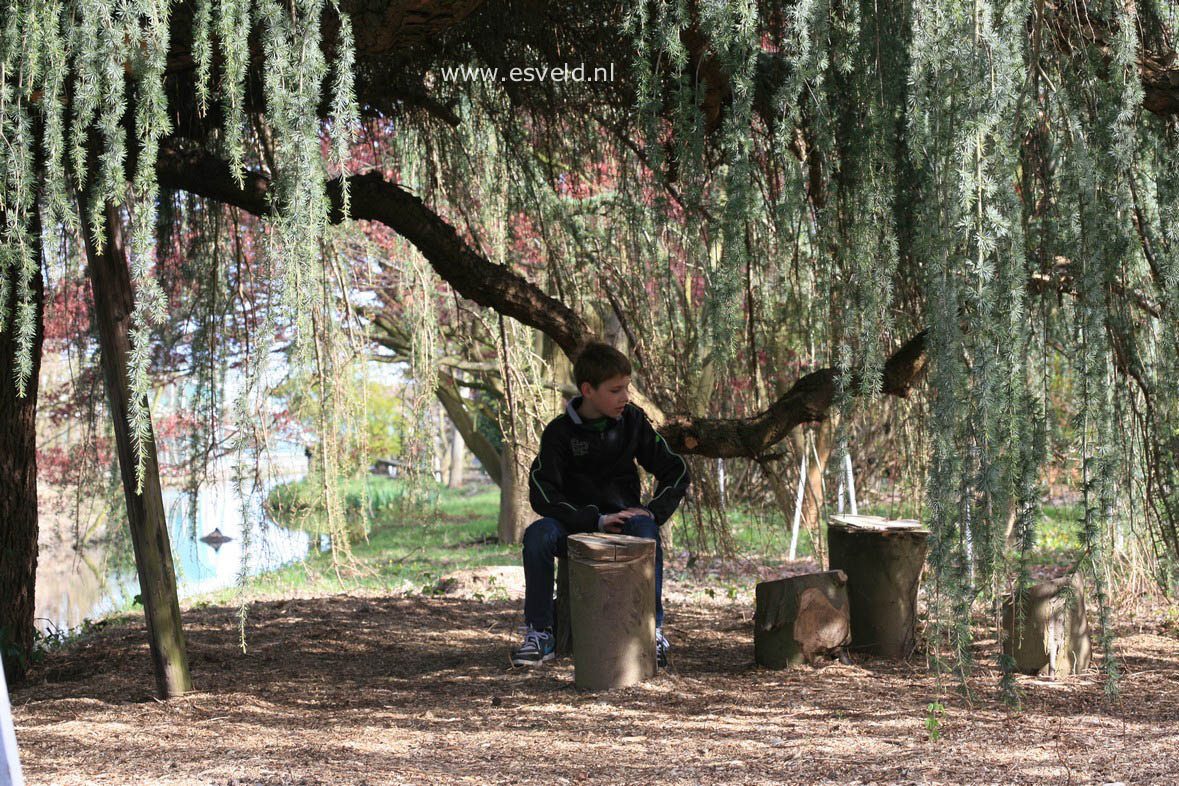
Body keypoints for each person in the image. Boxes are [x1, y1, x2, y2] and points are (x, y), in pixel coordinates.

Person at [510, 342, 690, 667]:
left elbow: (675, 469)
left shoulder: (633, 421)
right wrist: (593, 520)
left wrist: (653, 510)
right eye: (616, 390)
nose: (625, 397)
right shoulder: (558, 433)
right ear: (588, 390)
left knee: (647, 529)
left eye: (627, 388)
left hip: (625, 526)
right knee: (537, 535)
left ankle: (653, 630)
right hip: (574, 526)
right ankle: (539, 632)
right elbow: (542, 492)